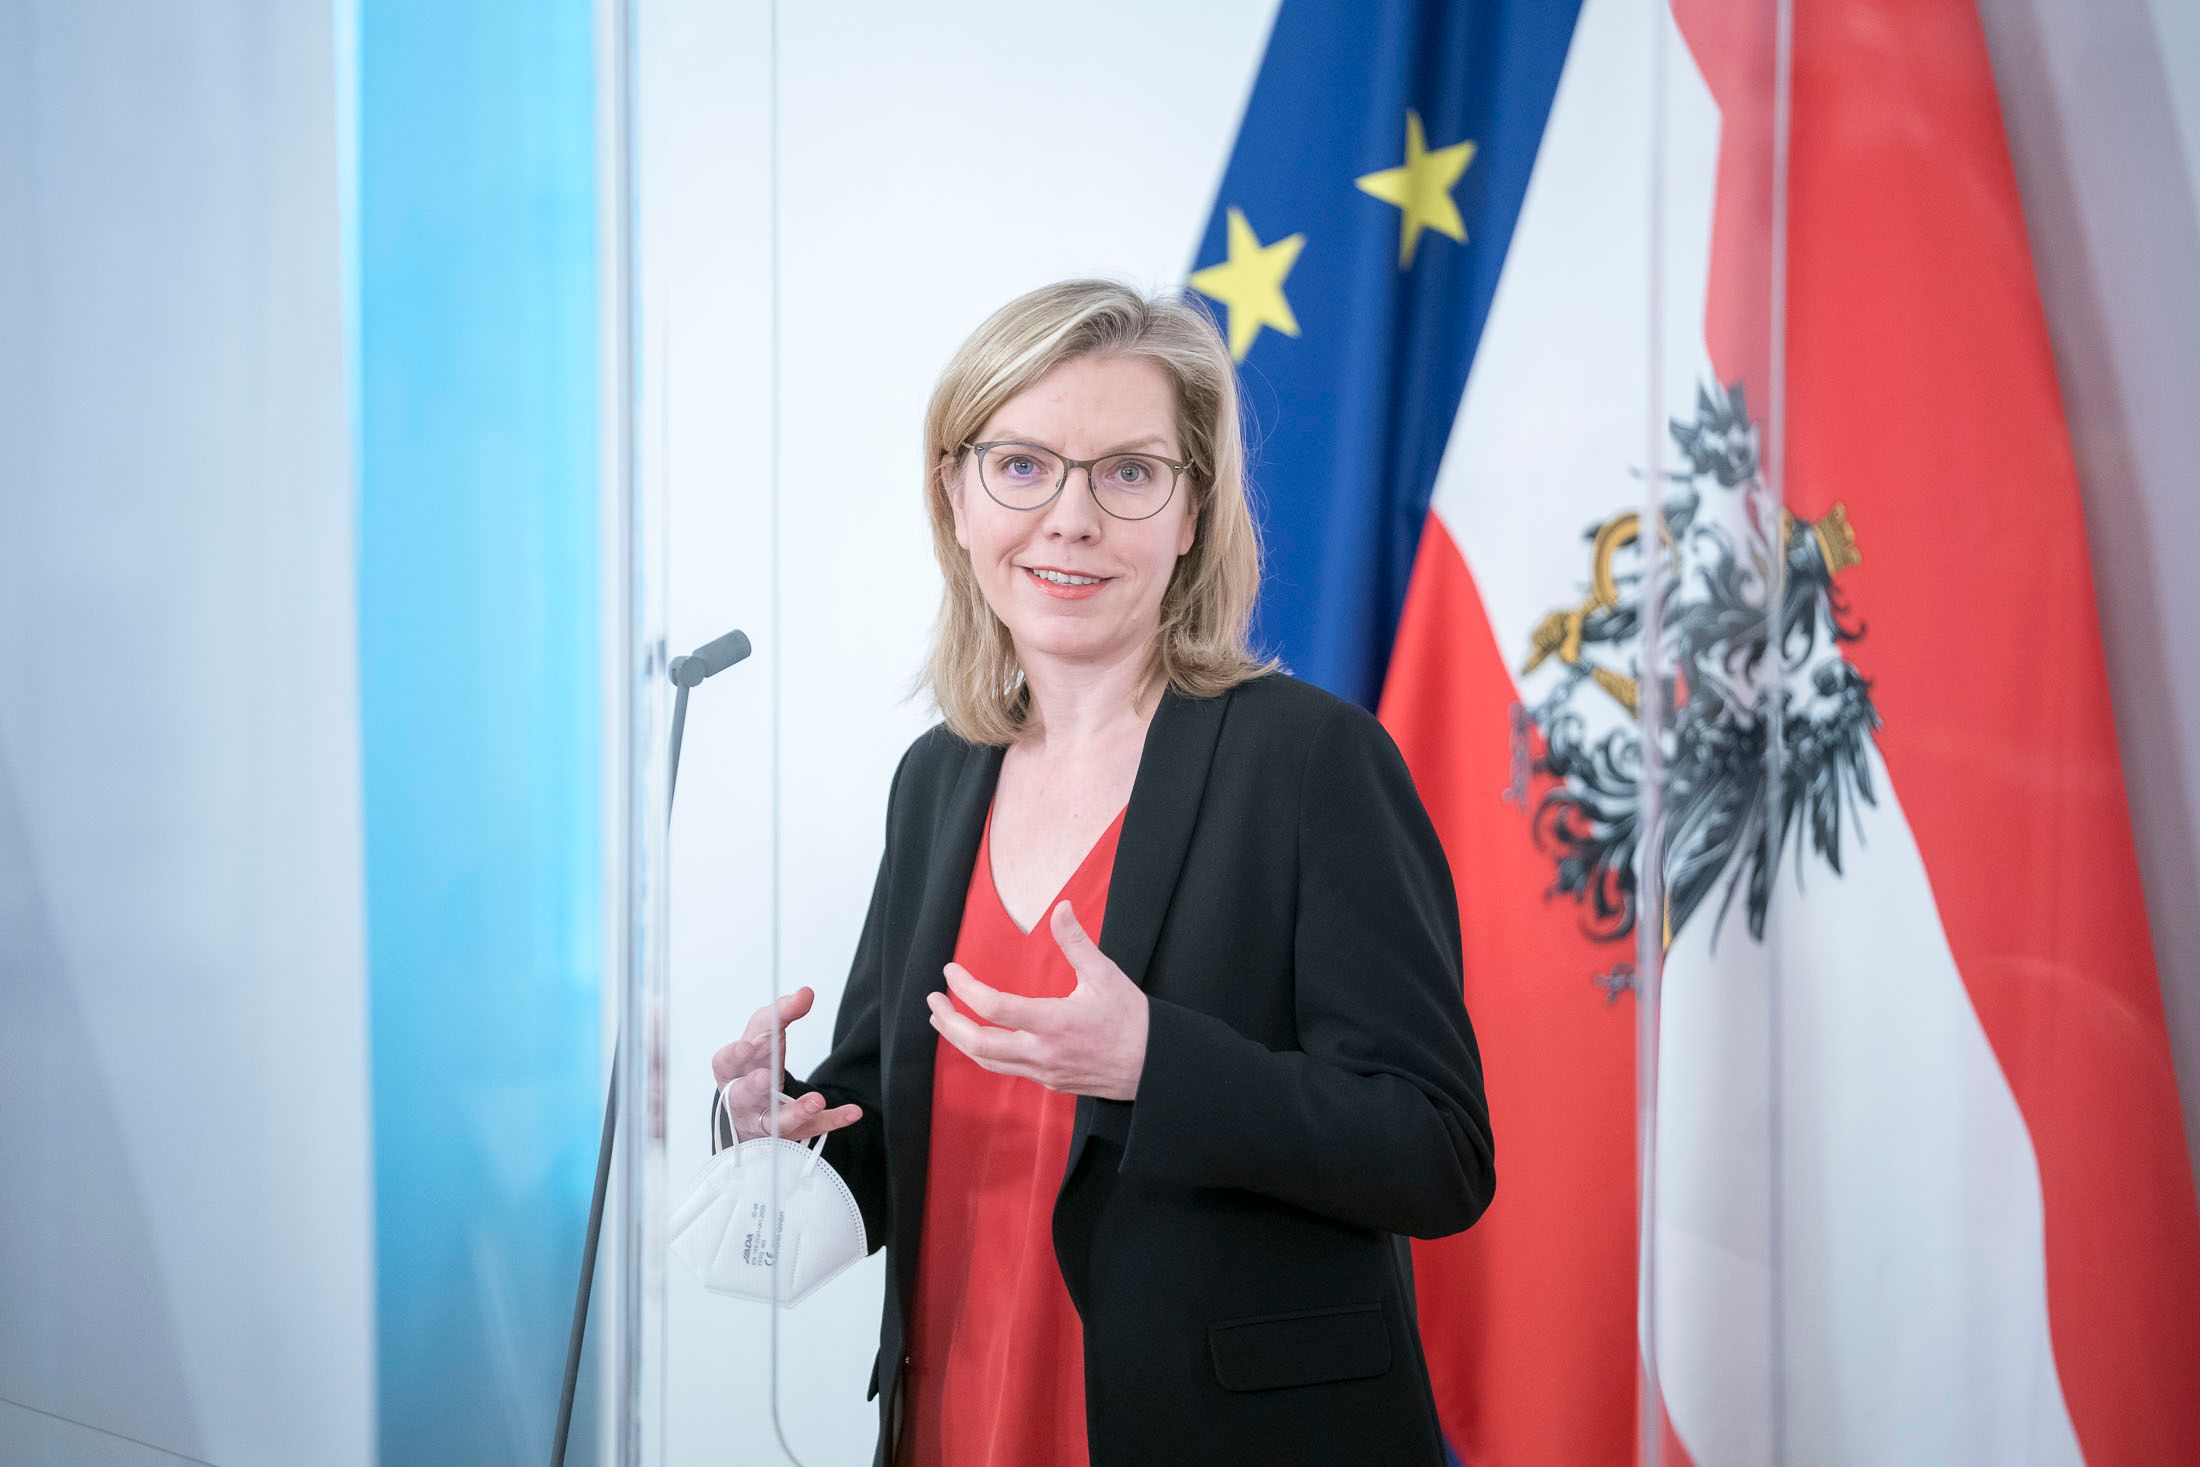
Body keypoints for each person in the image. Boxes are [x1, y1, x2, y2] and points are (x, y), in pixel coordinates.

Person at [709, 278, 1494, 1467]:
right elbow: (889, 1121)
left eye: (1127, 474)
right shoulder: (937, 780)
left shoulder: (1308, 760)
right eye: (1022, 466)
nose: (1069, 518)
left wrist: (1152, 1063)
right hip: (956, 1419)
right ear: (956, 499)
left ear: (1191, 515)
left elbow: (1437, 1153)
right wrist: (781, 1131)